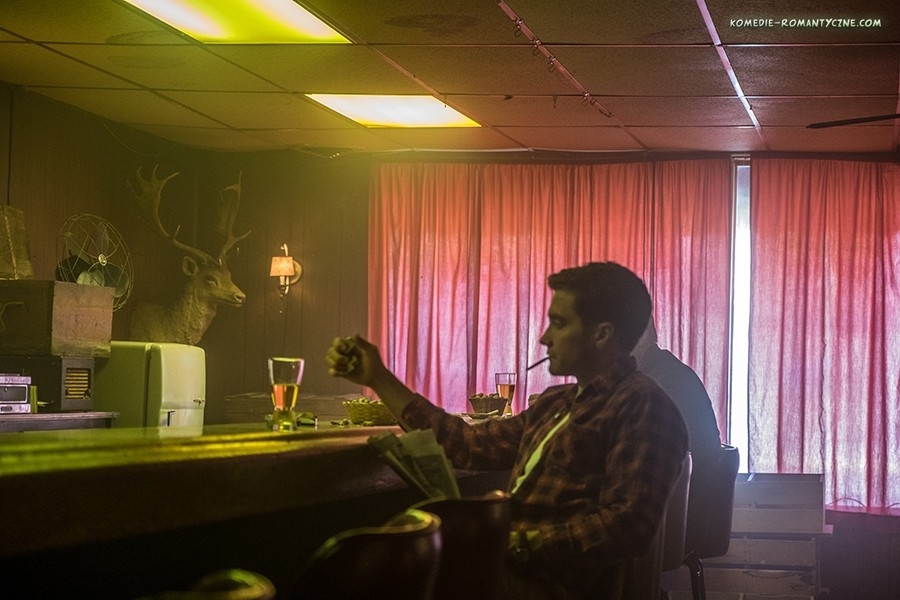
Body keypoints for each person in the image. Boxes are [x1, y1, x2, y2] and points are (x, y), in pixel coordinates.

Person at [326, 262, 689, 599]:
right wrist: (378, 377)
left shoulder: (643, 406)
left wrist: (519, 544)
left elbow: (629, 524)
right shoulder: (557, 402)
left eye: (559, 323)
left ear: (602, 335)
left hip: (550, 587)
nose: (545, 338)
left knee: (386, 579)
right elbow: (467, 444)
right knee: (378, 568)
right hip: (509, 571)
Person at [631, 318, 722, 555]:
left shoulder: (664, 382)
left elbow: (637, 452)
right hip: (674, 511)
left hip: (680, 519)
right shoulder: (656, 373)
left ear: (640, 337)